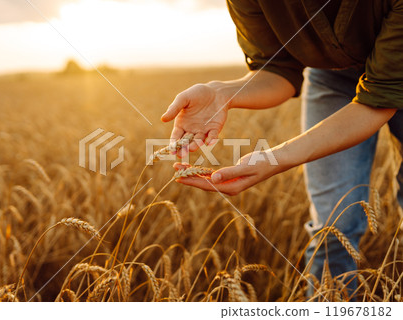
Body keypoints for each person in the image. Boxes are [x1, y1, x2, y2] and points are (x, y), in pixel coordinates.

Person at [161, 0, 403, 298]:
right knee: (332, 227)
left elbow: (376, 100)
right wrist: (221, 93)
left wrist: (277, 158)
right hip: (332, 75)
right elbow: (277, 69)